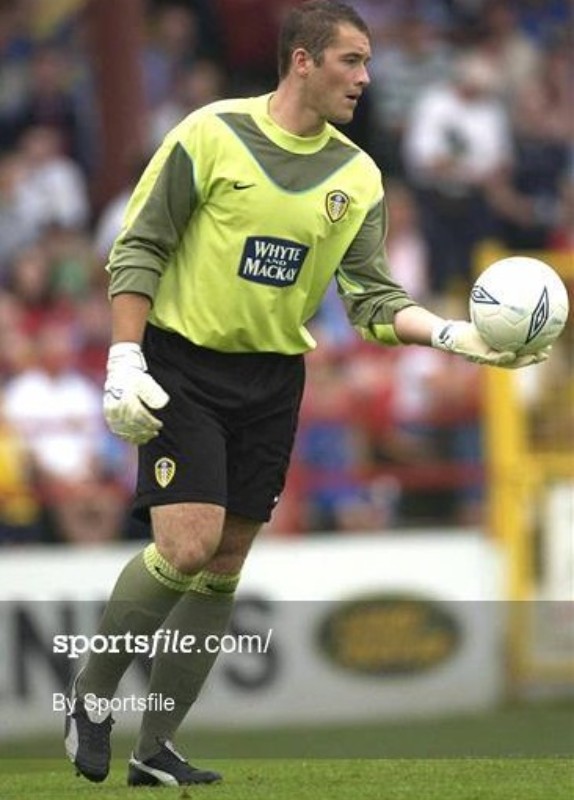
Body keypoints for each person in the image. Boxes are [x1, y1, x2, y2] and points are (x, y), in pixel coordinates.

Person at [64, 0, 548, 788]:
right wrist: (124, 359)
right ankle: (88, 699)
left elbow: (373, 300)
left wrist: (456, 336)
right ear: (301, 60)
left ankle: (154, 752)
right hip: (182, 362)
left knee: (223, 565)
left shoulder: (356, 175)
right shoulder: (209, 134)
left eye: (366, 62)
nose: (365, 77)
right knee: (185, 546)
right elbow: (139, 246)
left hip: (272, 378)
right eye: (350, 61)